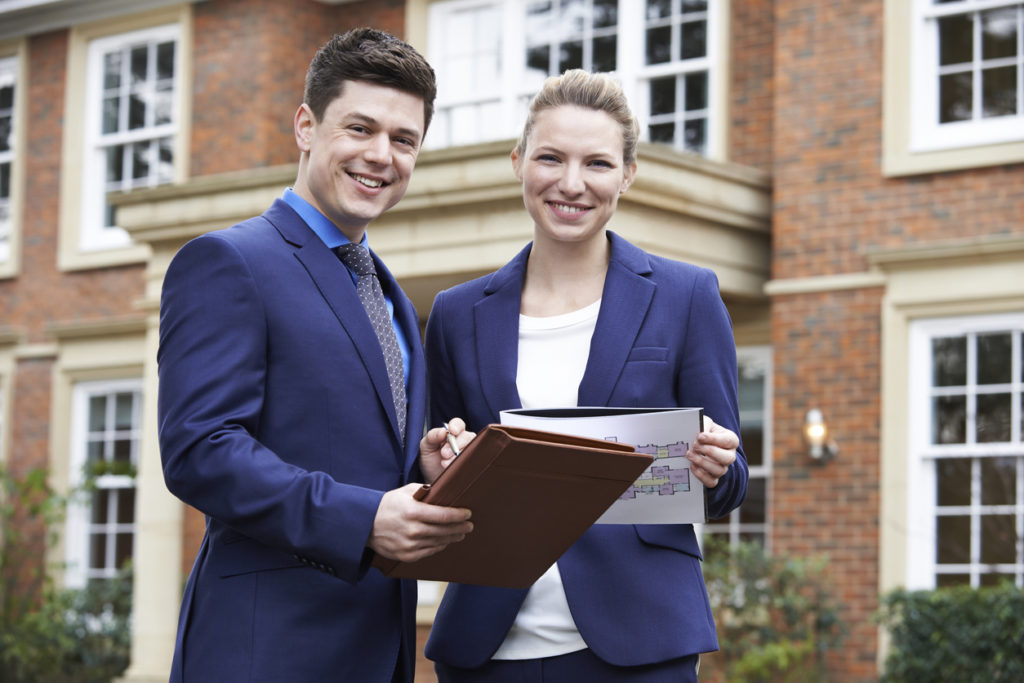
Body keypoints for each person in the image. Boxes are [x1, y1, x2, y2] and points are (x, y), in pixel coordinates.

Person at [157, 28, 474, 682]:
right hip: (266, 649)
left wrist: (422, 458)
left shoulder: (385, 289)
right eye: (359, 128)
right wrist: (363, 518)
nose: (381, 155)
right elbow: (200, 450)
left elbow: (344, 443)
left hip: (376, 650)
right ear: (306, 125)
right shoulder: (227, 261)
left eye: (404, 139)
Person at [423, 69, 748, 682]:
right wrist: (437, 465)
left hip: (641, 642)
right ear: (519, 161)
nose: (570, 183)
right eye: (550, 158)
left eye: (596, 163)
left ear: (627, 173)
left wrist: (718, 465)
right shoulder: (456, 313)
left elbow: (728, 481)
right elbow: (439, 471)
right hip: (486, 646)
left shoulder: (687, 297)